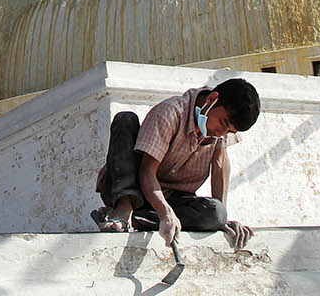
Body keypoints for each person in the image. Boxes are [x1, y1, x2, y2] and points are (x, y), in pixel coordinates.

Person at [91, 77, 260, 249]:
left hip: (173, 198)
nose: (221, 133)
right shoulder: (171, 112)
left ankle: (137, 219)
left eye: (229, 131)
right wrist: (164, 212)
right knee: (125, 119)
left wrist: (221, 219)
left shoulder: (220, 133)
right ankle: (123, 209)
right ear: (211, 99)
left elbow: (220, 164)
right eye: (223, 123)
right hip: (137, 187)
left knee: (216, 213)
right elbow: (147, 171)